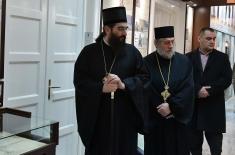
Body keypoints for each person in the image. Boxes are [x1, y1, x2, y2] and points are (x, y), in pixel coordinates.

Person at [73, 6, 149, 155]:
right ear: (107, 29)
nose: (125, 33)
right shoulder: (88, 53)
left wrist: (124, 84)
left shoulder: (132, 52)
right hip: (98, 120)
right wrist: (100, 88)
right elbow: (80, 82)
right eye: (120, 29)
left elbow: (144, 79)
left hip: (125, 121)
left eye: (126, 29)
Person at [144, 26, 194, 155]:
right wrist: (161, 108)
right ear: (156, 43)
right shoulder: (146, 62)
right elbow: (145, 88)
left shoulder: (184, 61)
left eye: (172, 41)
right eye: (166, 42)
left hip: (177, 121)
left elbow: (188, 89)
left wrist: (172, 106)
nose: (171, 45)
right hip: (155, 122)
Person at [187, 27, 232, 155]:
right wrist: (197, 90)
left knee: (216, 148)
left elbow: (226, 79)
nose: (212, 41)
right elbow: (184, 79)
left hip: (214, 110)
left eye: (214, 39)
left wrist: (209, 90)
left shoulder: (222, 58)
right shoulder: (188, 58)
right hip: (194, 109)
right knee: (194, 147)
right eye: (208, 38)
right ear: (199, 39)